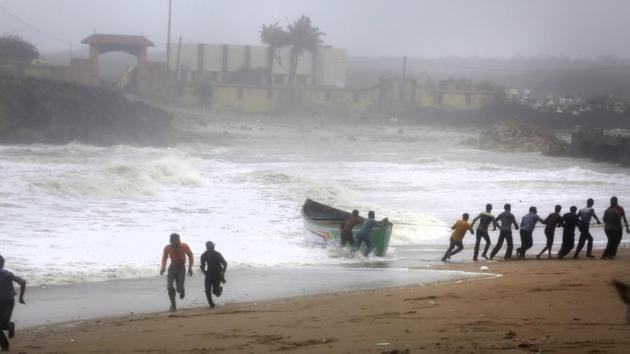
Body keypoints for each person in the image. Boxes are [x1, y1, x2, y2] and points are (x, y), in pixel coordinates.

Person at [160, 233, 194, 311]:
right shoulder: (167, 248)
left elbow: (190, 255)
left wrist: (190, 268)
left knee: (179, 288)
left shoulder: (184, 246)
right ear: (171, 241)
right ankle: (173, 305)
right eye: (175, 241)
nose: (178, 242)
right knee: (170, 287)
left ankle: (181, 291)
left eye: (178, 240)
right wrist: (163, 267)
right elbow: (164, 258)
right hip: (172, 267)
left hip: (181, 268)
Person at [0, 255, 26, 352]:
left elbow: (22, 282)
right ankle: (9, 325)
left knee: (0, 326)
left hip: (7, 303)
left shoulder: (7, 274)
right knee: (1, 325)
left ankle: (5, 346)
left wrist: (21, 297)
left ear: (2, 264)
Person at [200, 241, 227, 308]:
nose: (211, 248)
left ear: (214, 247)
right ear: (206, 248)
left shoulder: (217, 254)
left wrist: (222, 275)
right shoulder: (204, 255)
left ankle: (220, 289)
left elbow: (225, 264)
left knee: (216, 293)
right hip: (209, 274)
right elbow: (202, 266)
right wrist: (204, 271)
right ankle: (211, 304)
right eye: (209, 247)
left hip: (217, 274)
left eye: (212, 247)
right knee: (207, 290)